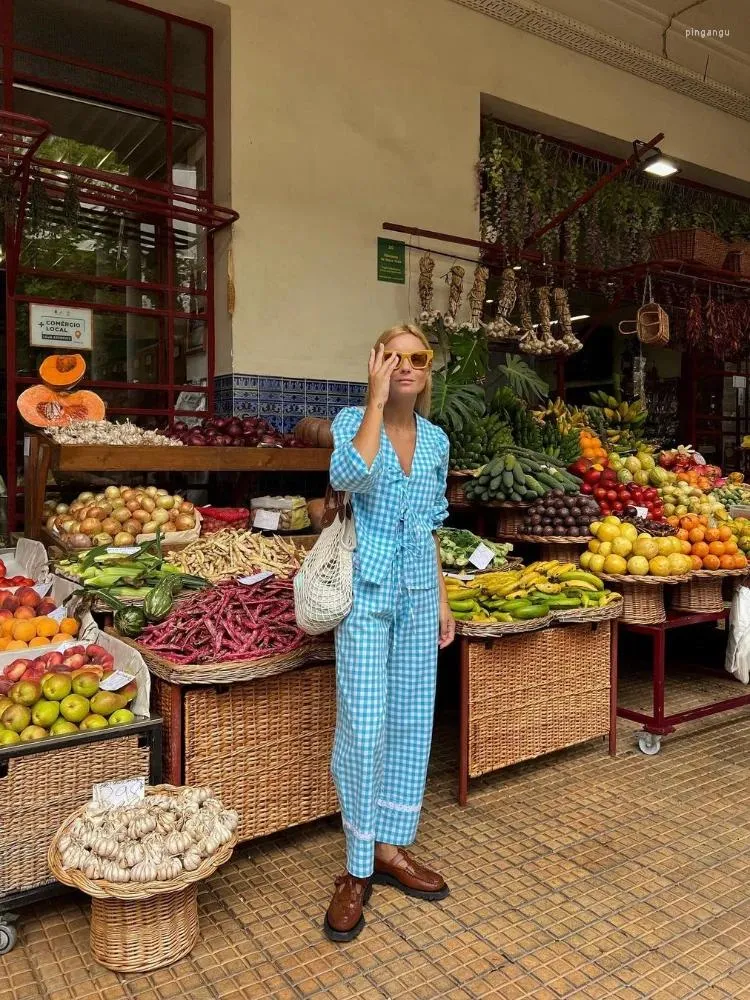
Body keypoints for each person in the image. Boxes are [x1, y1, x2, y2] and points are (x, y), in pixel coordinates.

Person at [323, 323, 455, 942]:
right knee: (364, 725)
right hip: (366, 596)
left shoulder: (435, 442)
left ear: (428, 370)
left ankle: (392, 847)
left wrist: (444, 602)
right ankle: (356, 866)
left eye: (416, 358)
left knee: (409, 723)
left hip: (418, 597)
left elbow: (429, 526)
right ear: (376, 361)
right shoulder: (354, 419)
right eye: (392, 357)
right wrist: (375, 400)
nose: (405, 366)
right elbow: (348, 476)